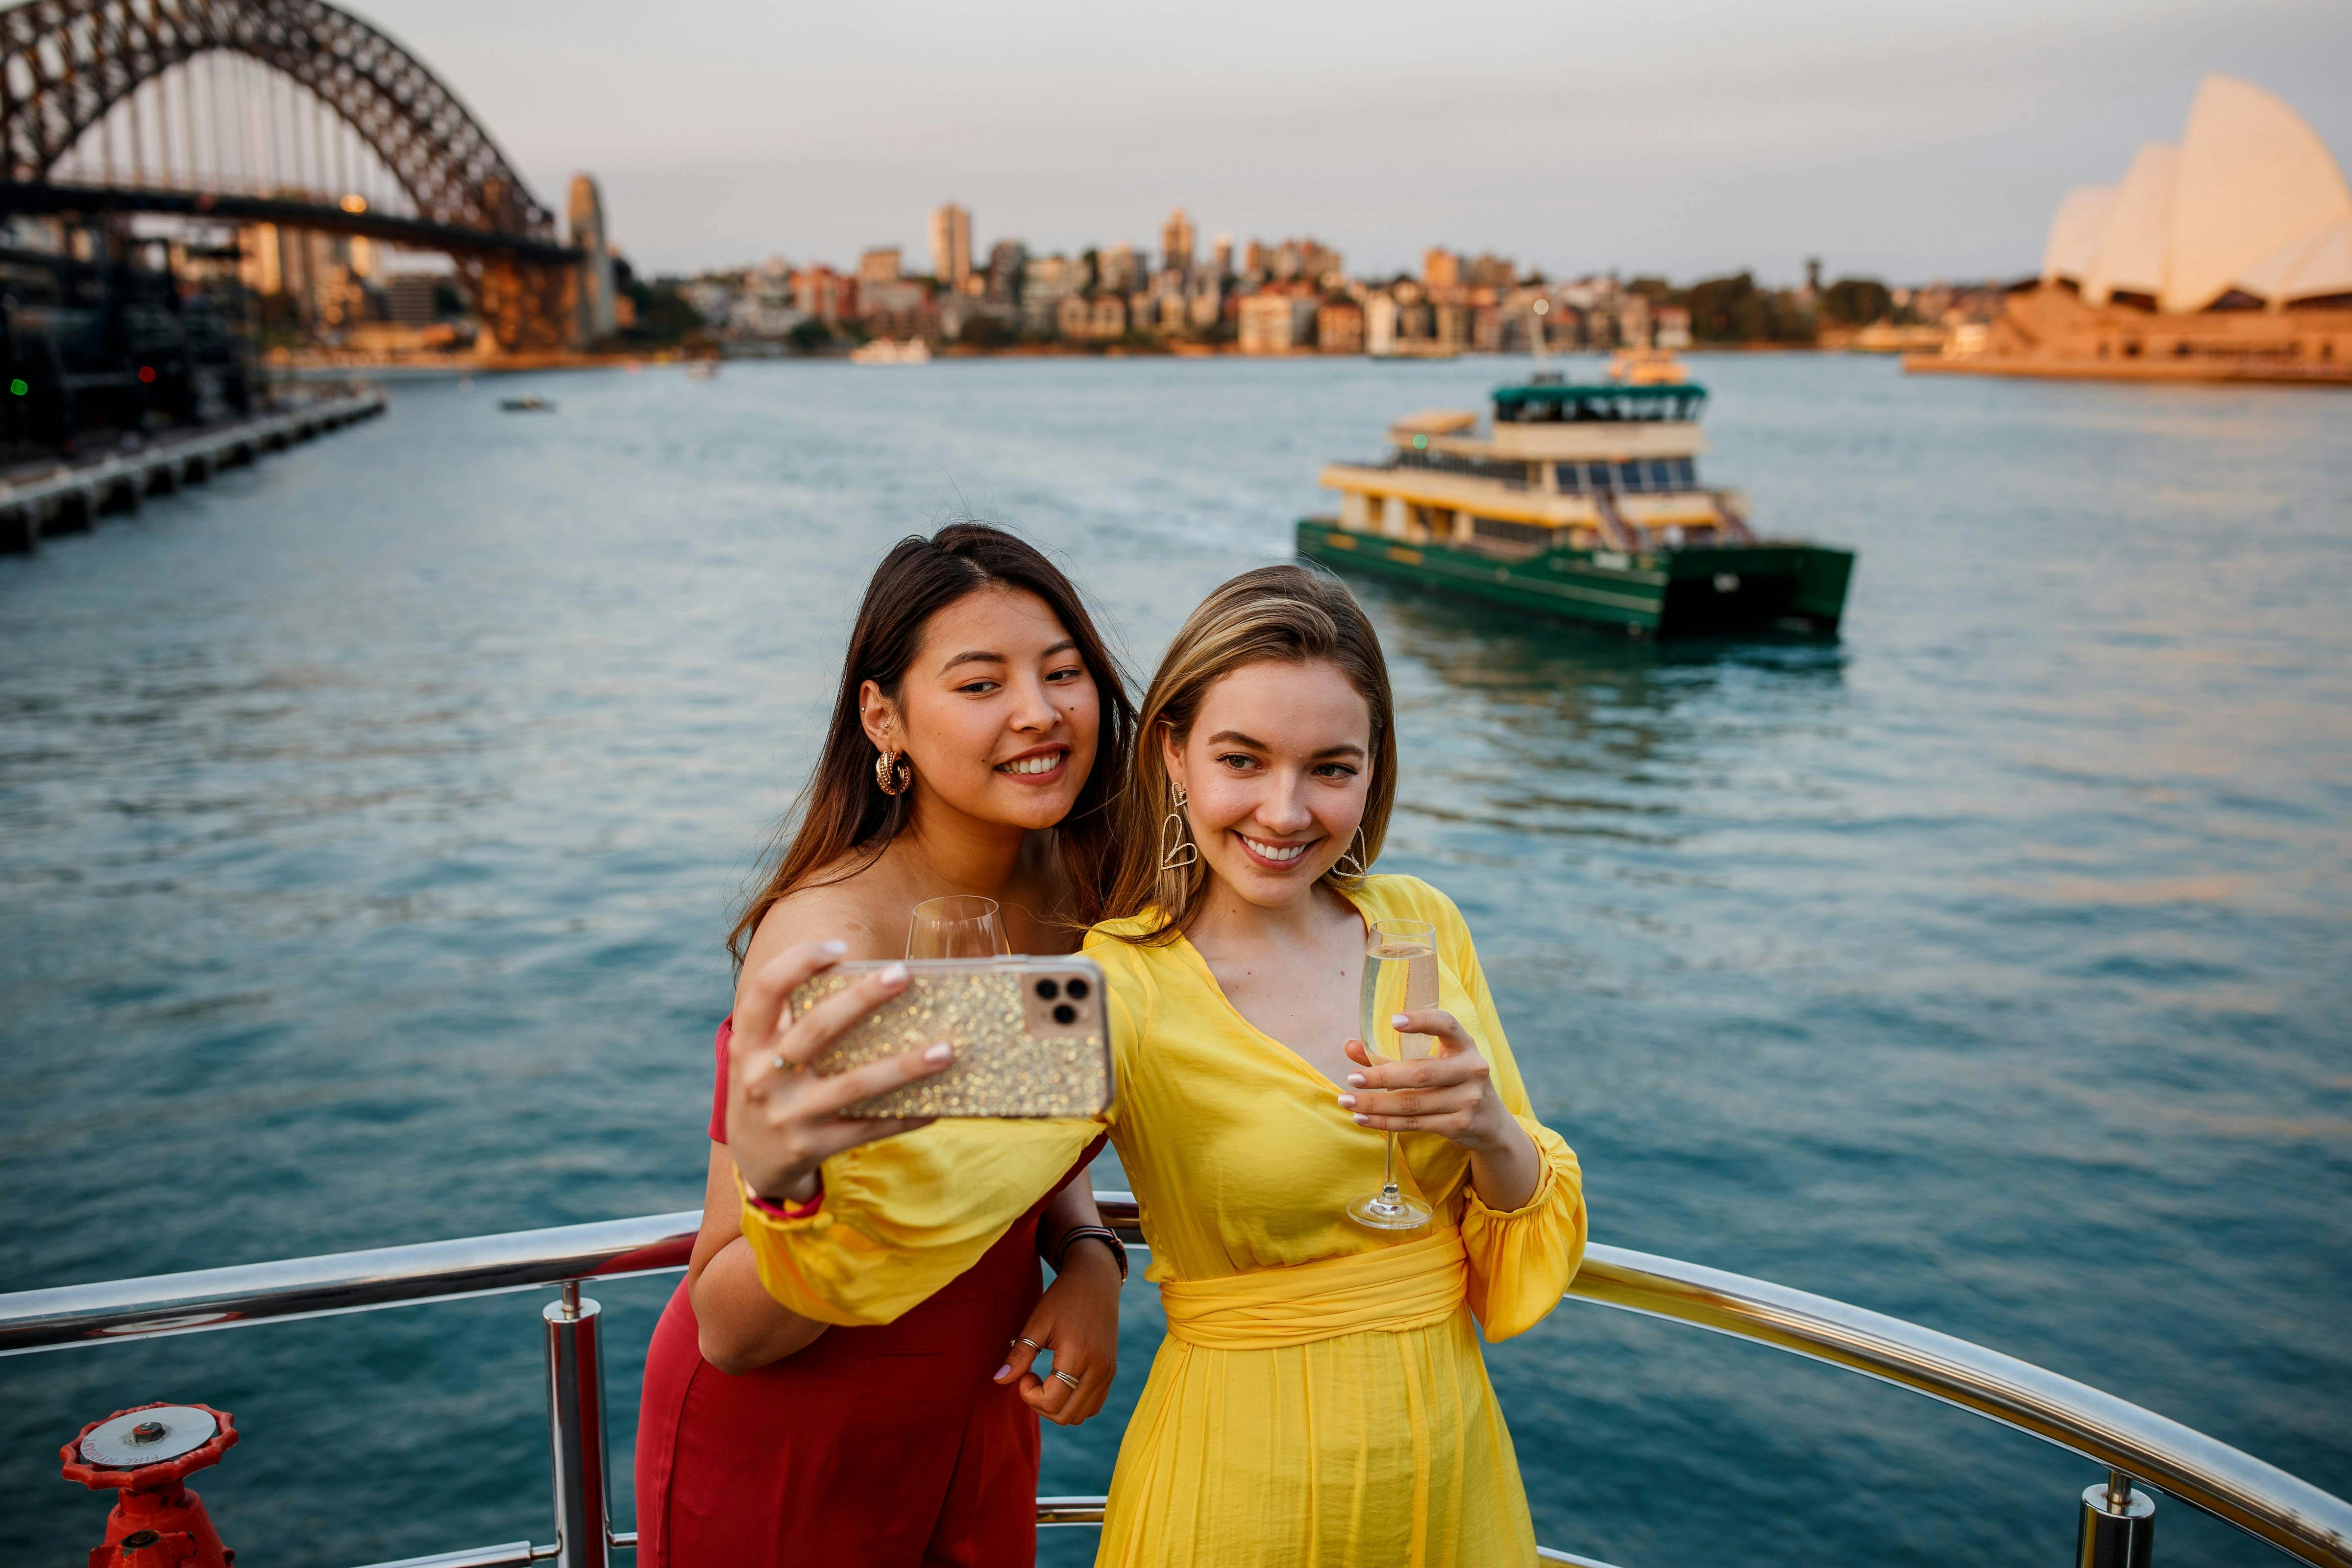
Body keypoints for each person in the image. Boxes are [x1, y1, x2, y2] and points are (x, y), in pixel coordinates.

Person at [728, 564, 1587, 1567]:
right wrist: (785, 1181)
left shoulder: (1421, 925)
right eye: (1242, 759)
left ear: (1373, 765)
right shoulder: (1111, 981)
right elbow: (931, 1208)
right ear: (1175, 753)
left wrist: (1491, 1133)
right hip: (1239, 1491)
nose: (1283, 810)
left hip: (1456, 1476)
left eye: (1330, 768)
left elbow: (1531, 1258)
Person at [636, 523, 1138, 1568]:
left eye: (1061, 672)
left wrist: (1089, 1252)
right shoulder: (835, 941)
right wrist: (786, 1196)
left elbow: (1014, 1129)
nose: (1038, 711)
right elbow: (729, 1325)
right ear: (884, 716)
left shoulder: (1092, 898)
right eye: (979, 683)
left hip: (980, 1408)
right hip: (798, 1438)